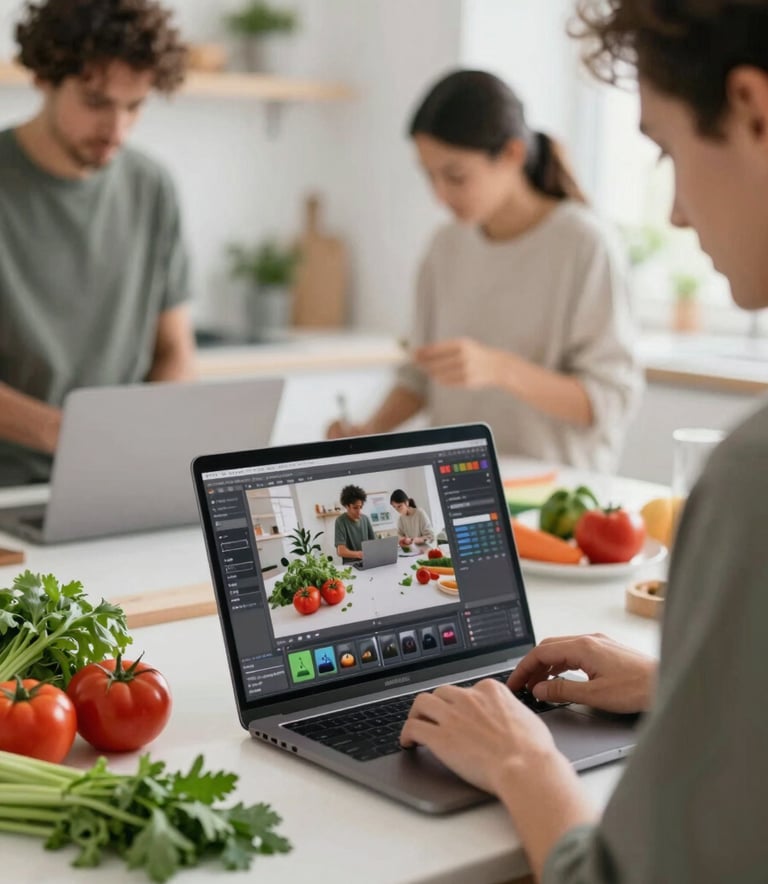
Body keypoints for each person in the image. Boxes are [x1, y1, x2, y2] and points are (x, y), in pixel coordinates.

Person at [401, 2, 768, 881]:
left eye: (668, 151)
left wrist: (524, 760)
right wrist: (673, 681)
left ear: (754, 112)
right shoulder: (442, 251)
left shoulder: (752, 478)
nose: (674, 213)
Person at [328, 69, 643, 472]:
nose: (439, 196)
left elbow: (609, 401)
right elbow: (419, 377)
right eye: (429, 176)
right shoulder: (445, 246)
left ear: (511, 155)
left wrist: (500, 369)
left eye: (455, 176)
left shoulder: (584, 244)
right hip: (459, 488)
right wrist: (368, 432)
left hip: (555, 494)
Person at [0, 0, 196, 487]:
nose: (117, 130)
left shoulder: (152, 186)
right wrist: (71, 437)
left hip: (116, 479)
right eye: (96, 103)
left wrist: (140, 441)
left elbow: (174, 351)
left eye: (134, 106)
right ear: (45, 78)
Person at [334, 484, 375, 563]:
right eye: (355, 508)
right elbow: (341, 551)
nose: (359, 511)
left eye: (360, 507)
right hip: (351, 566)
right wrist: (359, 554)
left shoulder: (365, 519)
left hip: (367, 562)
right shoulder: (340, 521)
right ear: (347, 506)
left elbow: (373, 543)